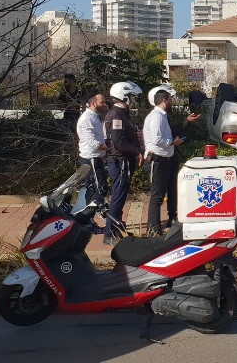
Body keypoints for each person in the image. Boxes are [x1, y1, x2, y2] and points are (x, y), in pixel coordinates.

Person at [144, 86, 200, 235]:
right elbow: (157, 140)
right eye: (170, 100)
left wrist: (186, 121)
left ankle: (171, 218)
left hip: (167, 159)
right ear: (164, 101)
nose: (172, 102)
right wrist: (173, 143)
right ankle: (153, 229)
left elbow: (169, 132)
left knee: (171, 190)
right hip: (158, 160)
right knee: (157, 196)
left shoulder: (162, 116)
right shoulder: (156, 116)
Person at [103, 81, 143, 245]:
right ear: (124, 96)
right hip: (120, 161)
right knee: (118, 196)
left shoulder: (122, 114)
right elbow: (118, 142)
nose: (133, 100)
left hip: (123, 161)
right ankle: (109, 233)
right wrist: (136, 151)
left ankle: (117, 228)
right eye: (131, 96)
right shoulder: (117, 115)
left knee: (121, 195)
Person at [76, 94, 109, 206]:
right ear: (94, 103)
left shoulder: (95, 117)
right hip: (91, 158)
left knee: (94, 188)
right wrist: (111, 147)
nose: (105, 105)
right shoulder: (87, 119)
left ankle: (87, 216)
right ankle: (89, 214)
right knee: (100, 189)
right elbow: (93, 143)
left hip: (96, 158)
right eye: (102, 102)